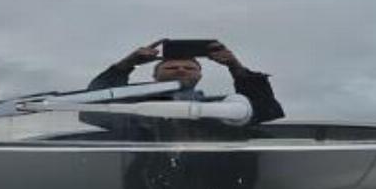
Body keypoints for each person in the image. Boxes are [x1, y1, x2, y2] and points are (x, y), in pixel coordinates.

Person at [88, 40, 283, 124]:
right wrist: (126, 64)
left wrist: (235, 66)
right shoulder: (134, 109)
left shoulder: (222, 108)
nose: (181, 70)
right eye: (171, 68)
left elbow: (268, 110)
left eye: (189, 68)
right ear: (155, 76)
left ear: (199, 76)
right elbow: (92, 108)